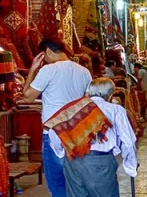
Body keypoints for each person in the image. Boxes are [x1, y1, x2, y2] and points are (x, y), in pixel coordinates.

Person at [22, 39, 93, 197]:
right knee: (77, 181)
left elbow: (27, 97)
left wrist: (33, 69)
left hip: (55, 134)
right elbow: (88, 101)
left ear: (47, 52)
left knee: (57, 183)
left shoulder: (49, 70)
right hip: (78, 134)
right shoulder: (84, 71)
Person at [50, 78, 138, 197]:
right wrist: (130, 166)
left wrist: (60, 152)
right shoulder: (115, 110)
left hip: (73, 163)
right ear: (110, 94)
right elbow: (128, 141)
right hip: (100, 163)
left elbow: (54, 131)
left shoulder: (75, 108)